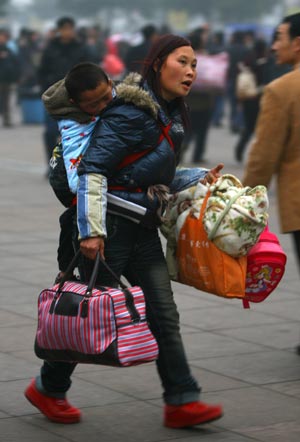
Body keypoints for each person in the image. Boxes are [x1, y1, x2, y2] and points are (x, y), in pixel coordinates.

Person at [25, 34, 224, 428]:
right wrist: (91, 232)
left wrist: (199, 176)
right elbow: (93, 171)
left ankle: (182, 399)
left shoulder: (162, 113)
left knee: (162, 314)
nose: (190, 71)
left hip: (140, 229)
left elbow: (144, 176)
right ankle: (48, 387)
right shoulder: (131, 113)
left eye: (194, 65)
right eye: (182, 62)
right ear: (157, 63)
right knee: (87, 312)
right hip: (109, 231)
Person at [242, 13, 300, 352]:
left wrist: (243, 198)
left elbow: (264, 156)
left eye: (279, 36)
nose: (274, 44)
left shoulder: (282, 90)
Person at [42, 62, 114, 281]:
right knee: (73, 217)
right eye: (93, 104)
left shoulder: (113, 95)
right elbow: (77, 182)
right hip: (65, 180)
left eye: (106, 96)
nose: (103, 106)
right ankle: (65, 272)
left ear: (110, 83)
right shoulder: (74, 126)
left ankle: (65, 271)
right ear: (75, 103)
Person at [38, 16, 94, 167]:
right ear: (59, 30)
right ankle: (53, 165)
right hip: (54, 96)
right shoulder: (50, 49)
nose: (67, 32)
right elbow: (41, 71)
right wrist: (46, 90)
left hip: (77, 97)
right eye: (64, 29)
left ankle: (75, 166)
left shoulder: (81, 48)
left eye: (70, 28)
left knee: (78, 132)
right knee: (50, 133)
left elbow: (89, 69)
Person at [234, 39, 269, 163]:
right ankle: (257, 154)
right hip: (259, 98)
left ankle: (239, 149)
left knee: (248, 127)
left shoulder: (248, 59)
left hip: (248, 98)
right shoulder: (265, 63)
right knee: (259, 128)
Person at [0, 28, 20, 127]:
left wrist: (16, 76)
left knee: (6, 100)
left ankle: (6, 120)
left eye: (4, 37)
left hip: (6, 79)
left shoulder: (8, 50)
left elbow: (15, 63)